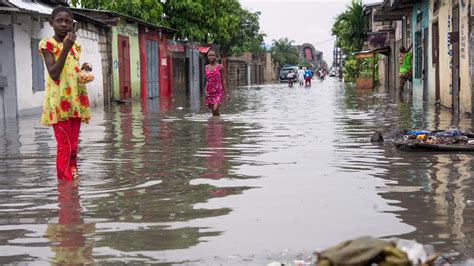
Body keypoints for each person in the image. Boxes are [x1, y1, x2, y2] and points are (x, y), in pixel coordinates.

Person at [39, 6, 91, 181]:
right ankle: (65, 184)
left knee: (74, 146)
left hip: (75, 101)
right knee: (64, 146)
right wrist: (66, 47)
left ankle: (73, 179)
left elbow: (71, 70)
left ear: (72, 25)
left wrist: (83, 69)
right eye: (59, 21)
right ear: (51, 22)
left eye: (67, 21)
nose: (63, 24)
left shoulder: (76, 46)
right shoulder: (47, 44)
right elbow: (54, 73)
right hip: (59, 103)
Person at [205, 50, 228, 116]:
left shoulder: (220, 67)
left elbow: (224, 80)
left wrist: (226, 94)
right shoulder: (206, 67)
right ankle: (216, 123)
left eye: (213, 55)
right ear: (208, 57)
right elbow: (207, 80)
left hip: (218, 91)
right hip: (209, 92)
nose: (211, 57)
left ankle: (218, 123)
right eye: (209, 55)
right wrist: (205, 90)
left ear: (216, 56)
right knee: (213, 112)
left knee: (215, 109)